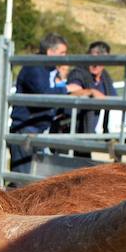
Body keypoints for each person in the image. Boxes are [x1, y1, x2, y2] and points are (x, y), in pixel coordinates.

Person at [10, 33, 71, 174]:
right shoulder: (35, 67)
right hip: (26, 129)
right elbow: (44, 95)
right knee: (22, 178)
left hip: (37, 130)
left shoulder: (49, 70)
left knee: (36, 177)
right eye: (62, 53)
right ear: (50, 52)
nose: (65, 57)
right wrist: (66, 88)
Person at [66, 40, 117, 135]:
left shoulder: (105, 78)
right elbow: (71, 92)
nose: (96, 64)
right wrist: (91, 92)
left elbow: (114, 99)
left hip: (94, 132)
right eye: (93, 59)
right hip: (72, 129)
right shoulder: (78, 73)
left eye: (101, 60)